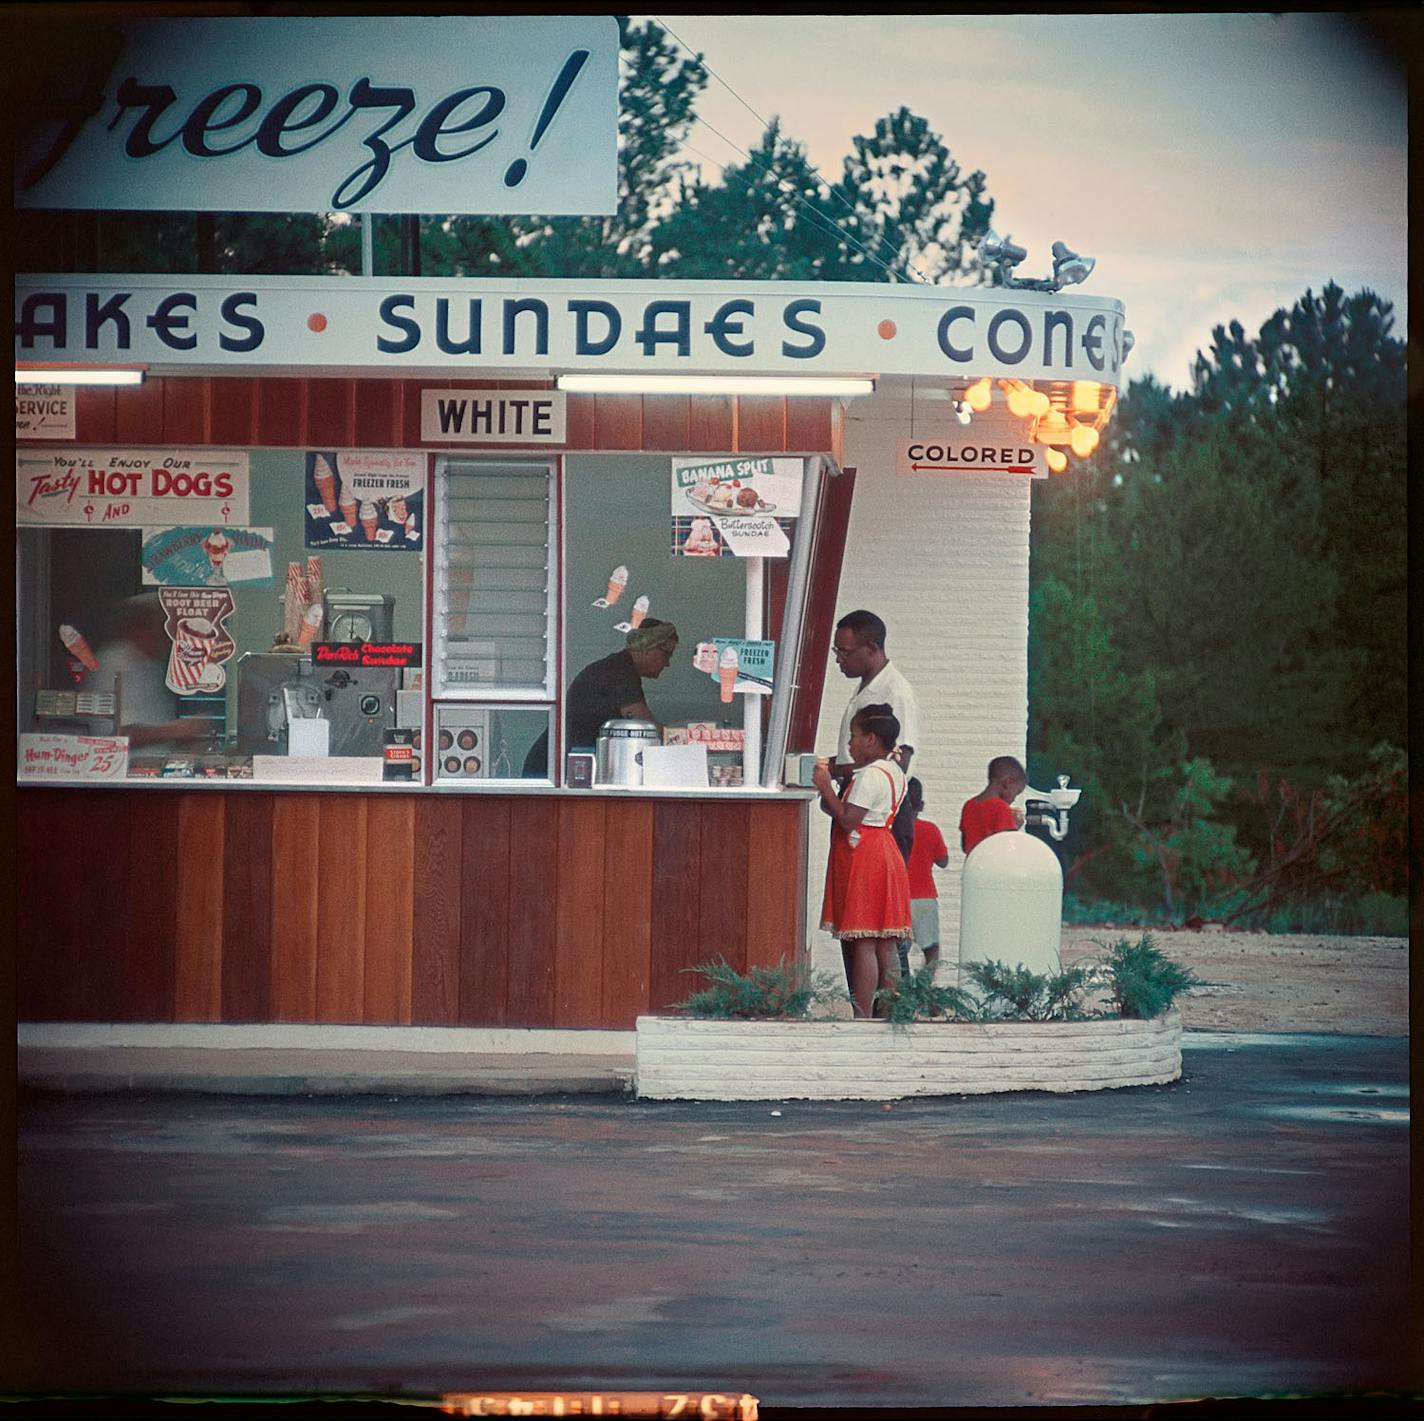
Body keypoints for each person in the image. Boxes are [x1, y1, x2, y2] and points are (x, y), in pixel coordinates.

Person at [813, 703, 912, 1019]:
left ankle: (863, 1013)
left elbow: (847, 819)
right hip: (884, 849)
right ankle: (890, 1011)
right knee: (885, 942)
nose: (849, 745)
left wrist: (825, 786)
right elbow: (845, 811)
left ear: (871, 739)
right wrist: (832, 796)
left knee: (866, 940)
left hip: (865, 856)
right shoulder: (894, 772)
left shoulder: (870, 776)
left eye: (854, 737)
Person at [522, 619, 680, 775]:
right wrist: (681, 738)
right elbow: (644, 726)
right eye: (667, 655)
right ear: (648, 648)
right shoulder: (620, 671)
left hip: (560, 761)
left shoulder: (617, 666)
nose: (668, 664)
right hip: (552, 769)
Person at [828, 609, 921, 863]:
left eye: (844, 652)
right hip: (856, 807)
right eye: (836, 652)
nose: (839, 660)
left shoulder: (895, 692)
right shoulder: (866, 688)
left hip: (879, 818)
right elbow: (857, 757)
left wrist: (836, 770)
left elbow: (899, 763)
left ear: (871, 648)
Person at [87, 594, 214, 752]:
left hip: (157, 770)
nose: (167, 637)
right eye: (161, 628)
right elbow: (118, 734)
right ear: (140, 629)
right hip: (123, 771)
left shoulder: (152, 667)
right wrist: (181, 729)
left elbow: (157, 726)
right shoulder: (110, 665)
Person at [897, 778, 950, 980]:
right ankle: (925, 990)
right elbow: (943, 861)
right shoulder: (930, 829)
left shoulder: (892, 830)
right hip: (924, 897)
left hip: (899, 897)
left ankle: (902, 988)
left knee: (898, 949)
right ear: (921, 805)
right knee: (931, 948)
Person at [960, 755, 1028, 856]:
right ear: (1007, 783)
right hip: (994, 867)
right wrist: (1016, 825)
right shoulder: (1001, 808)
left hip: (973, 865)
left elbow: (964, 845)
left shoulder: (969, 805)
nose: (1014, 799)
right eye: (1016, 793)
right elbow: (1006, 845)